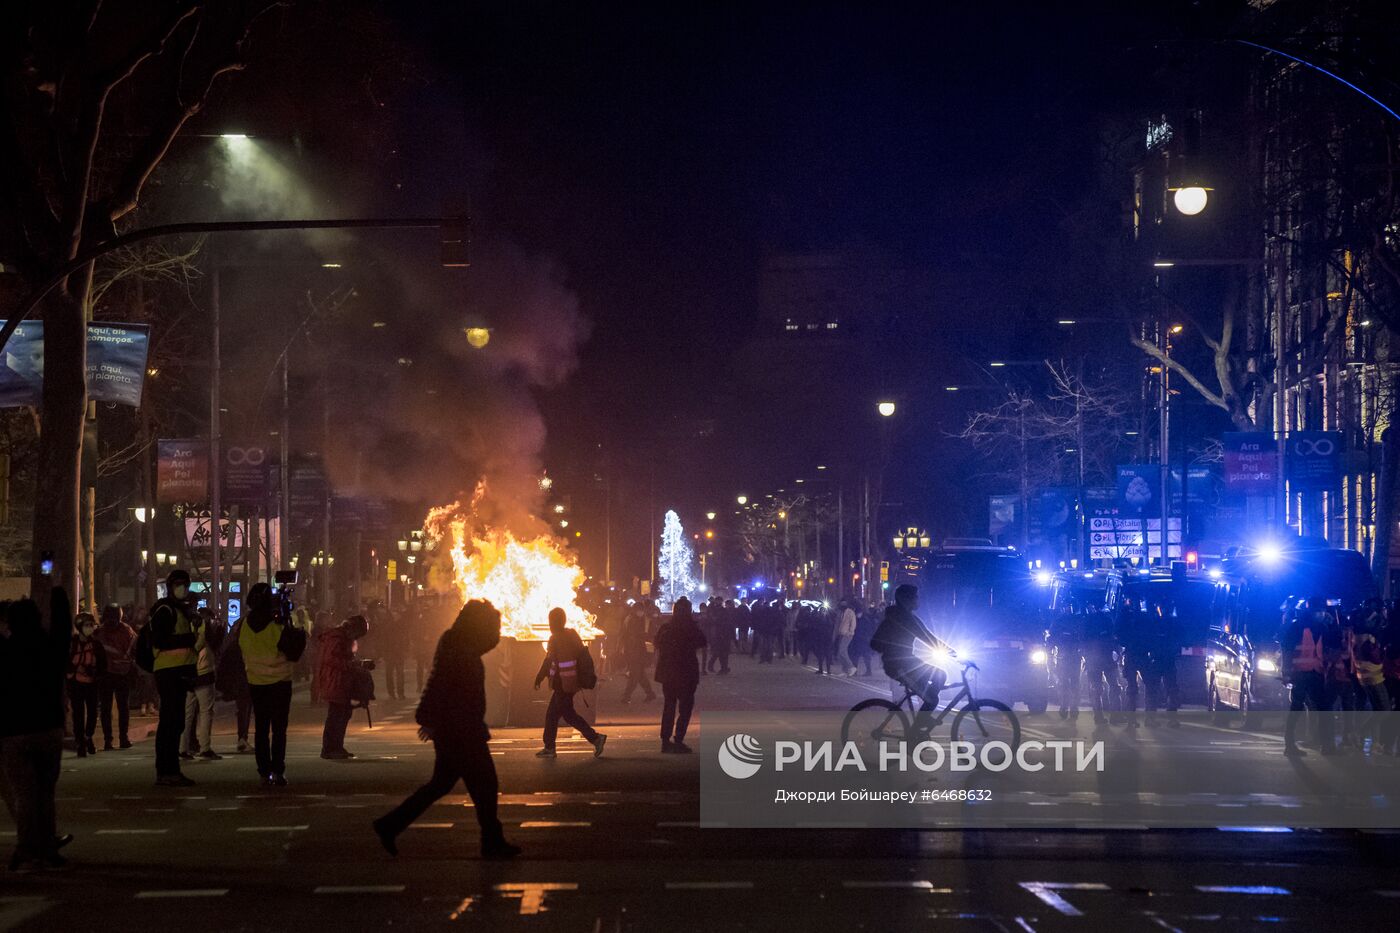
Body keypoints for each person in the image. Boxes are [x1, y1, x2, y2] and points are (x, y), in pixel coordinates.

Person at [372, 600, 520, 860]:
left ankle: (390, 825)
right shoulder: (460, 651)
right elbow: (440, 685)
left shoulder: (460, 645)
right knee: (485, 784)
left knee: (441, 785)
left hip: (458, 729)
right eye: (493, 626)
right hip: (461, 731)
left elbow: (439, 681)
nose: (496, 633)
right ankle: (492, 841)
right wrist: (430, 719)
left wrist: (431, 720)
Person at [0, 587, 75, 871]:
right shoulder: (50, 647)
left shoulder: (6, 652)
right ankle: (46, 847)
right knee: (45, 792)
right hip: (48, 729)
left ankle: (27, 847)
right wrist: (57, 592)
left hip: (14, 731)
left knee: (24, 794)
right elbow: (64, 627)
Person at [238, 583, 298, 786]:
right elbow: (294, 651)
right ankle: (278, 771)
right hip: (280, 681)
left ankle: (264, 772)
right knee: (279, 730)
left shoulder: (245, 624)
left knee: (261, 729)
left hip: (256, 681)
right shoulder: (277, 624)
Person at [149, 569, 202, 787]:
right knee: (170, 724)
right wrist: (189, 638)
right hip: (169, 672)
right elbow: (161, 641)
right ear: (171, 587)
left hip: (179, 672)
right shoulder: (165, 610)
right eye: (179, 585)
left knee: (176, 723)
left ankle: (171, 770)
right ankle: (166, 770)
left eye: (186, 585)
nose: (183, 589)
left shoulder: (182, 610)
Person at [533, 608, 606, 758]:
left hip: (563, 684)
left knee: (568, 715)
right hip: (572, 682)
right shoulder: (572, 635)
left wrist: (539, 676)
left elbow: (549, 661)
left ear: (554, 622)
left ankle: (595, 738)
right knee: (553, 714)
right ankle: (549, 747)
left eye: (551, 621)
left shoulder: (555, 638)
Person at [870, 584, 951, 711]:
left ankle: (925, 697)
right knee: (933, 699)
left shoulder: (898, 617)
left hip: (908, 663)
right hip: (900, 666)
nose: (918, 600)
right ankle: (918, 728)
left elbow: (928, 637)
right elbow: (929, 638)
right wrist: (952, 653)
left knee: (940, 675)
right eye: (916, 597)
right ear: (907, 600)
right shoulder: (905, 619)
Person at [1281, 596, 1336, 757]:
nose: (1322, 614)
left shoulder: (1321, 627)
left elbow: (1333, 642)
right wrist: (1287, 672)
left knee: (1324, 708)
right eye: (1319, 611)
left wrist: (1333, 625)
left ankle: (1327, 745)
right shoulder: (1297, 627)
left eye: (1323, 611)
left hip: (1315, 672)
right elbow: (1287, 649)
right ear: (1311, 611)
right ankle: (1290, 746)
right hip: (1300, 673)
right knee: (1297, 708)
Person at [653, 597, 707, 753]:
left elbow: (657, 643)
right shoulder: (691, 628)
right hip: (686, 673)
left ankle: (665, 740)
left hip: (668, 673)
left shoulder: (666, 627)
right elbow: (702, 642)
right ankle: (678, 739)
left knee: (669, 706)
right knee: (685, 708)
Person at [319, 615, 372, 759]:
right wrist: (353, 665)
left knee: (343, 715)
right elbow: (331, 659)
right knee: (336, 715)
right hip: (336, 681)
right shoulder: (336, 637)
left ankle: (337, 746)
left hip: (343, 681)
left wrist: (357, 663)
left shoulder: (342, 638)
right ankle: (329, 748)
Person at [181, 607, 225, 761]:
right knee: (206, 712)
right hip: (203, 672)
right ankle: (205, 748)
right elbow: (212, 644)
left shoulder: (183, 627)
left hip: (186, 672)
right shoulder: (204, 629)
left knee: (187, 713)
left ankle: (182, 748)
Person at [93, 604, 135, 751]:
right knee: (120, 707)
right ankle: (121, 738)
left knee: (108, 708)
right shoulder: (126, 631)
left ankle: (110, 740)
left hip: (110, 674)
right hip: (117, 674)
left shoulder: (100, 632)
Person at [67, 612, 106, 757]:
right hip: (76, 683)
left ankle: (88, 736)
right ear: (79, 626)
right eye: (87, 625)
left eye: (92, 625)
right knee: (78, 714)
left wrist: (95, 673)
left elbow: (103, 664)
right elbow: (65, 663)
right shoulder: (72, 644)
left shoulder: (96, 644)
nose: (90, 628)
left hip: (92, 683)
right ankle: (80, 743)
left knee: (92, 713)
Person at [619, 602, 656, 704]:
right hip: (633, 651)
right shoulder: (630, 620)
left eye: (641, 610)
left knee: (635, 674)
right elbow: (625, 635)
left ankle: (626, 696)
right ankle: (650, 694)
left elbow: (651, 635)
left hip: (640, 652)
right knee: (639, 675)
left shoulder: (645, 621)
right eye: (639, 610)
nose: (640, 612)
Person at [834, 600, 858, 677]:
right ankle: (845, 670)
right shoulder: (840, 613)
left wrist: (850, 632)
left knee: (842, 651)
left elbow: (853, 623)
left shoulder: (850, 612)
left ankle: (851, 667)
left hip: (847, 634)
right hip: (841, 633)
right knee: (839, 653)